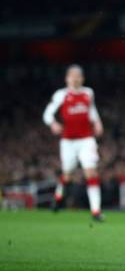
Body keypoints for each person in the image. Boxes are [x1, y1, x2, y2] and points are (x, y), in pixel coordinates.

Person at [43, 64, 104, 221]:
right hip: (68, 141)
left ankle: (96, 212)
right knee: (67, 174)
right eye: (72, 76)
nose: (75, 79)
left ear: (82, 78)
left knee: (91, 171)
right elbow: (47, 113)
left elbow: (92, 110)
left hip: (86, 139)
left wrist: (97, 122)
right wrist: (53, 123)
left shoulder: (88, 93)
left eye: (78, 76)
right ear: (67, 78)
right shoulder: (61, 95)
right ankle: (58, 198)